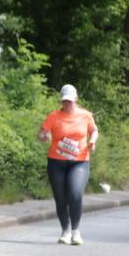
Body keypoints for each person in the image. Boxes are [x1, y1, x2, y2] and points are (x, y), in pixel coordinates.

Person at [38, 84, 99, 245]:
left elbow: (94, 130)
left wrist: (92, 141)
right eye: (65, 101)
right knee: (60, 198)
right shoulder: (54, 116)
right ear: (61, 100)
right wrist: (44, 137)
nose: (67, 104)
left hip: (79, 162)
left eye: (70, 101)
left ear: (76, 99)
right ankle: (65, 230)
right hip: (56, 162)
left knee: (75, 193)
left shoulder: (85, 115)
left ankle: (75, 231)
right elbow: (42, 133)